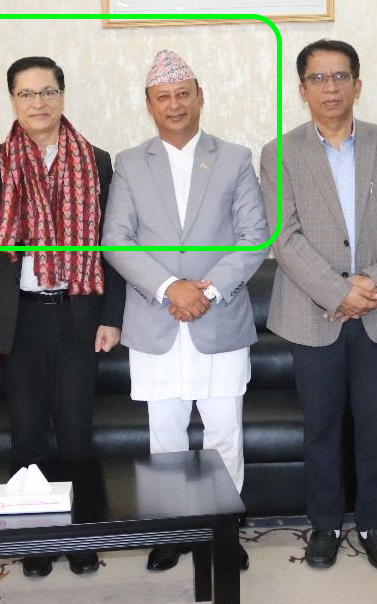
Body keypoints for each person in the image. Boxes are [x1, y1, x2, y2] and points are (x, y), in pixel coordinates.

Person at [102, 50, 266, 572]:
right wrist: (171, 288)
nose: (174, 105)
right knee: (165, 435)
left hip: (219, 319)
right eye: (163, 97)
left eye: (182, 94)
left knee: (224, 433)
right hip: (157, 321)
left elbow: (254, 236)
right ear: (149, 105)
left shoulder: (235, 158)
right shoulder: (130, 163)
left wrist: (206, 292)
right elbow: (116, 240)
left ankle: (223, 532)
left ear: (200, 98)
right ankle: (171, 530)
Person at [0, 56, 124, 577]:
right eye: (26, 93)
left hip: (79, 312)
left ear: (62, 96)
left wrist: (112, 315)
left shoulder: (96, 161)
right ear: (13, 100)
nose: (38, 102)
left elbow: (114, 243)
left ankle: (82, 538)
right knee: (27, 433)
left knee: (77, 433)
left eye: (48, 91)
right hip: (20, 318)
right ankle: (34, 540)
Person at [260, 40, 377, 569]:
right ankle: (324, 524)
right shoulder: (279, 153)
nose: (330, 87)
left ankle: (373, 523)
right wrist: (338, 291)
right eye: (318, 78)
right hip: (312, 314)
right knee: (321, 429)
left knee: (376, 428)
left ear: (358, 84)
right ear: (302, 90)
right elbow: (284, 238)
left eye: (340, 76)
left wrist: (371, 282)